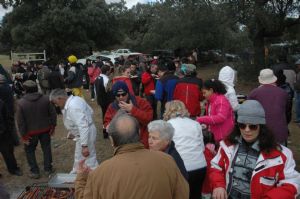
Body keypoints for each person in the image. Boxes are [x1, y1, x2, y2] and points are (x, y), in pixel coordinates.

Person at [75, 114, 189, 199]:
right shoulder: (167, 160)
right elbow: (183, 194)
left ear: (112, 141)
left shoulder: (100, 173)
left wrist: (81, 179)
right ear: (139, 133)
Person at [210, 100, 300, 199]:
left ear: (261, 126)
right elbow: (216, 167)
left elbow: (292, 183)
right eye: (242, 125)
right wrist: (218, 185)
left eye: (252, 126)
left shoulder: (281, 155)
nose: (247, 130)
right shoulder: (227, 145)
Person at [164, 100, 206, 199]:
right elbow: (202, 147)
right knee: (196, 195)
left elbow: (166, 148)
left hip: (182, 167)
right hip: (200, 165)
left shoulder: (168, 125)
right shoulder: (195, 124)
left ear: (168, 110)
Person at [49, 89, 98, 173]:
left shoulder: (73, 106)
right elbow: (90, 111)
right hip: (85, 132)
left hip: (86, 133)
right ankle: (76, 175)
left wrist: (84, 146)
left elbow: (83, 125)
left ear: (60, 98)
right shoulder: (76, 99)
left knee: (89, 159)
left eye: (55, 102)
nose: (56, 105)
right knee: (79, 158)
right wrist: (73, 132)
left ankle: (95, 177)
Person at [16, 80, 57, 179]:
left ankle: (35, 171)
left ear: (25, 90)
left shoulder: (21, 103)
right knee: (46, 148)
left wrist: (24, 135)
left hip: (31, 132)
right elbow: (53, 114)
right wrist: (53, 126)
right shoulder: (46, 99)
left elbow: (20, 121)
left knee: (30, 151)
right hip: (45, 129)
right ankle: (48, 169)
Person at [104, 81, 153, 148]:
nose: (121, 97)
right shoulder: (112, 107)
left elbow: (148, 118)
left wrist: (133, 110)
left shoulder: (140, 102)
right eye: (118, 95)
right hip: (122, 145)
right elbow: (107, 122)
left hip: (141, 142)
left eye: (123, 94)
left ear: (128, 93)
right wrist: (109, 126)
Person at [248, 68, 289, 145]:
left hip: (260, 133)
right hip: (280, 132)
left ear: (260, 80)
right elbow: (287, 113)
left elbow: (248, 113)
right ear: (274, 79)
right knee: (280, 155)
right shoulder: (283, 93)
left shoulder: (254, 93)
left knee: (261, 156)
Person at [0, 99, 22, 176]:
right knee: (8, 151)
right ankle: (13, 169)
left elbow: (8, 117)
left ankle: (13, 169)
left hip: (3, 133)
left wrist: (8, 129)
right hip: (3, 132)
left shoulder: (1, 103)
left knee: (8, 152)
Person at [94, 64, 114, 139]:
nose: (110, 72)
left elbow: (95, 90)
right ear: (107, 71)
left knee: (104, 116)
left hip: (101, 100)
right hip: (106, 101)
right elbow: (109, 91)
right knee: (107, 116)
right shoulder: (106, 79)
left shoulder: (97, 78)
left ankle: (105, 131)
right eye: (109, 70)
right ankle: (106, 132)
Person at [294, 59, 300, 124]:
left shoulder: (298, 73)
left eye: (298, 65)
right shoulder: (298, 73)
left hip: (298, 91)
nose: (298, 66)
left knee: (298, 105)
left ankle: (298, 118)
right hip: (298, 90)